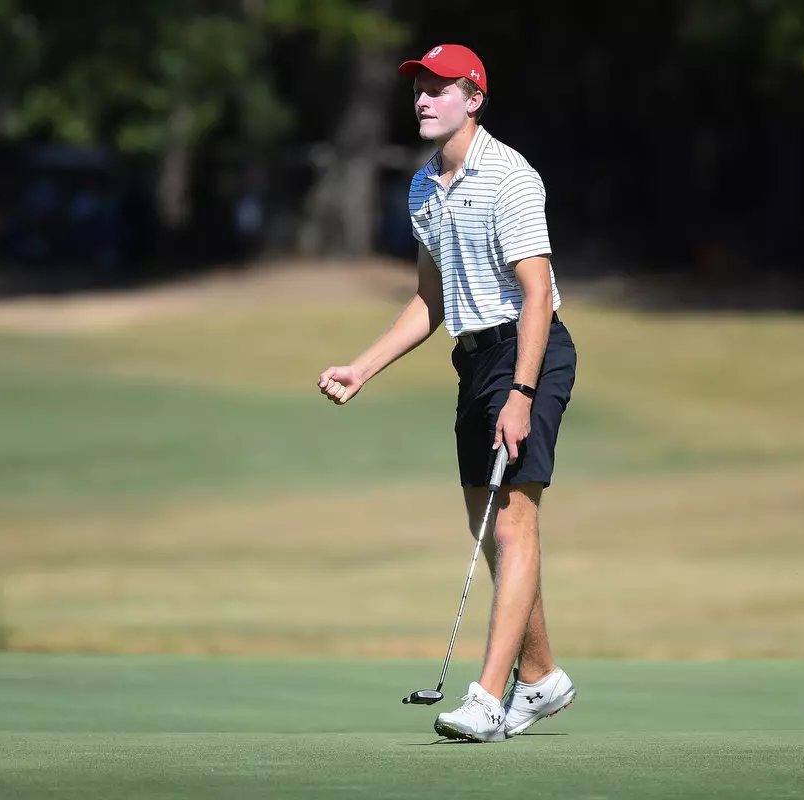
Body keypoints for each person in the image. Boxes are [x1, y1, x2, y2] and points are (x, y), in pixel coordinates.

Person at [316, 43, 578, 743]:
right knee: (490, 528)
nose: (424, 99)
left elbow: (536, 297)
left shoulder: (511, 178)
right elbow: (429, 300)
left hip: (529, 353)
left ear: (474, 98)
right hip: (474, 363)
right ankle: (543, 678)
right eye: (420, 89)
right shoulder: (423, 187)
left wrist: (522, 392)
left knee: (514, 523)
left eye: (440, 89)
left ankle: (488, 700)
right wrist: (362, 368)